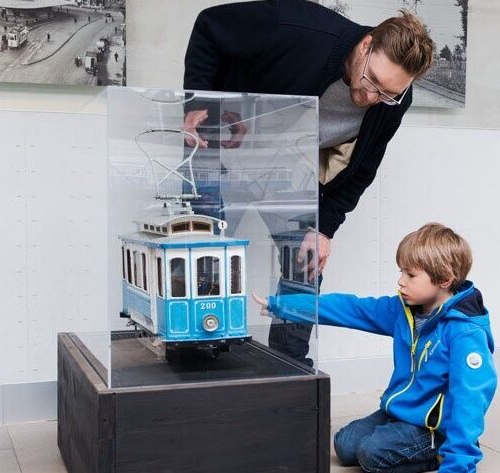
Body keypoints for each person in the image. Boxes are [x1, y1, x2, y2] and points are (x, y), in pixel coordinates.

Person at [183, 0, 436, 365]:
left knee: (305, 264)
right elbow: (210, 25)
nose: (370, 98)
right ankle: (196, 365)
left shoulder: (394, 99)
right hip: (221, 151)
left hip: (287, 173)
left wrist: (325, 229)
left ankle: (287, 372)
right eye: (372, 82)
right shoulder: (296, 27)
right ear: (366, 45)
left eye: (387, 94)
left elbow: (364, 167)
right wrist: (198, 99)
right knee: (201, 261)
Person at [255, 223, 497, 472]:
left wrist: (459, 462)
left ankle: (440, 450)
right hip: (402, 413)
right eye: (401, 272)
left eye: (410, 275)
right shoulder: (403, 311)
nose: (400, 282)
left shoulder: (465, 333)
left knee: (372, 455)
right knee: (345, 445)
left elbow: (471, 399)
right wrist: (283, 306)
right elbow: (350, 309)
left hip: (434, 427)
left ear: (444, 280)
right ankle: (403, 437)